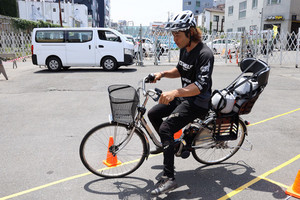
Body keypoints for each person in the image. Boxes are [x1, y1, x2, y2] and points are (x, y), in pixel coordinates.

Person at [148, 10, 214, 195]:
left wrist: (174, 93)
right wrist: (161, 74)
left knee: (165, 129)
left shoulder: (205, 54)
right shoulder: (184, 50)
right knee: (153, 114)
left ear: (190, 32)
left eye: (177, 35)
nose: (174, 38)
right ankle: (173, 146)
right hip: (184, 97)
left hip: (197, 103)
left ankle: (169, 178)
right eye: (173, 34)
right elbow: (180, 70)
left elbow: (200, 86)